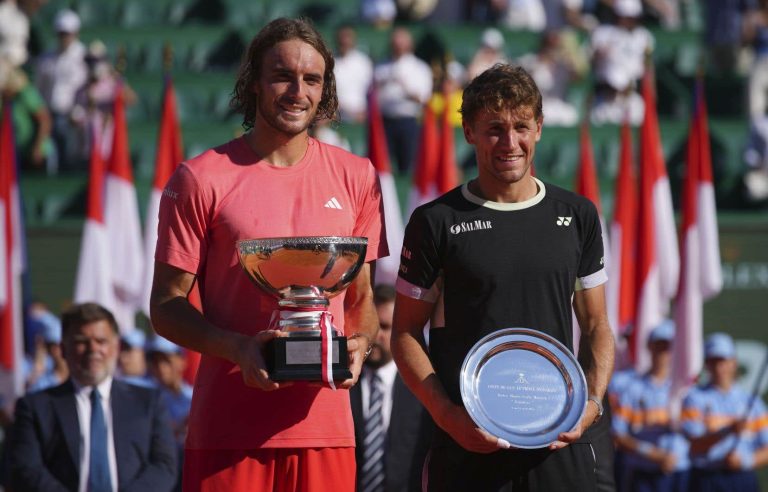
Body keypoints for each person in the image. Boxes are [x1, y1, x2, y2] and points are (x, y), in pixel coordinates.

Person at [149, 17, 388, 491]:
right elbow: (165, 308)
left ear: (325, 91)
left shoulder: (357, 176)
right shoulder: (200, 178)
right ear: (254, 83)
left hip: (327, 433)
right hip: (228, 433)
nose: (297, 91)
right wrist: (236, 347)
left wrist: (358, 347)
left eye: (312, 79)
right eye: (282, 75)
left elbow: (360, 304)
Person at [391, 63, 615, 490]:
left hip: (557, 445)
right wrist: (447, 416)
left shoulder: (578, 214)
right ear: (469, 132)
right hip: (467, 448)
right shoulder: (435, 221)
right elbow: (403, 332)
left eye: (521, 127)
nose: (509, 143)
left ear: (540, 129)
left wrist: (592, 402)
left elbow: (596, 325)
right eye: (494, 128)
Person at [7, 302, 178, 491]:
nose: (93, 350)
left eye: (101, 341)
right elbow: (27, 469)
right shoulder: (35, 407)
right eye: (81, 341)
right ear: (63, 349)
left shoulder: (148, 403)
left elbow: (164, 466)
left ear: (116, 347)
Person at [351, 284, 431, 492]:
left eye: (385, 327)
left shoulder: (421, 387)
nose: (376, 337)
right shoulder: (344, 384)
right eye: (372, 328)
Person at [681, 332, 768, 492]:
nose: (720, 367)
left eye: (724, 361)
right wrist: (728, 431)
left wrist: (746, 461)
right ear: (707, 364)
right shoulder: (694, 399)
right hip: (706, 478)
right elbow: (694, 444)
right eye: (714, 361)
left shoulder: (752, 401)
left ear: (734, 362)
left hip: (742, 478)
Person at [611, 320, 690, 492]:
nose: (664, 352)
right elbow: (618, 434)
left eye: (669, 346)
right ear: (649, 347)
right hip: (643, 473)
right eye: (659, 345)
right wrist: (653, 454)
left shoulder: (686, 389)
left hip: (680, 472)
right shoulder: (633, 389)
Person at [33, 8, 88, 172]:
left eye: (68, 33)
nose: (64, 37)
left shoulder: (83, 57)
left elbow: (87, 89)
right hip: (50, 115)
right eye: (61, 33)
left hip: (74, 116)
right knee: (51, 157)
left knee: (70, 155)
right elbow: (40, 87)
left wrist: (79, 110)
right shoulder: (47, 58)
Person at [373, 27, 433, 174]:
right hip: (384, 120)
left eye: (402, 41)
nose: (398, 45)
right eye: (395, 41)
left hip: (408, 121)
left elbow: (423, 98)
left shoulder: (420, 68)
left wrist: (405, 88)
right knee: (381, 168)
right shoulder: (381, 66)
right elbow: (372, 93)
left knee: (407, 166)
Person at [146, 335, 193, 492]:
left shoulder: (195, 398)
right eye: (156, 361)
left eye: (166, 360)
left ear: (181, 361)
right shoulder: (144, 398)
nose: (161, 367)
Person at [333, 24, 373, 123]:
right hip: (335, 117)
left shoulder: (363, 62)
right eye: (342, 37)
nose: (345, 41)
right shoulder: (329, 61)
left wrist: (364, 112)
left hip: (361, 117)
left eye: (348, 37)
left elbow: (371, 90)